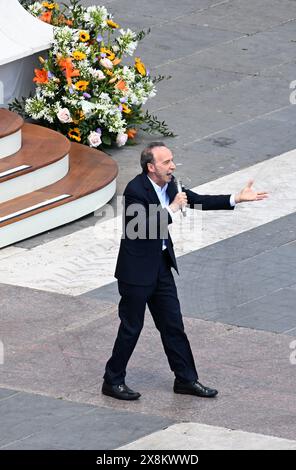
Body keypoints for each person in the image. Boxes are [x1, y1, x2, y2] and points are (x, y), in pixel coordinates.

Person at [102, 142, 268, 400]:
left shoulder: (170, 185)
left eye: (172, 160)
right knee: (131, 327)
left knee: (173, 325)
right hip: (136, 273)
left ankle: (186, 379)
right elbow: (139, 227)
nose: (173, 166)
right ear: (151, 167)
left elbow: (198, 200)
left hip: (161, 267)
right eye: (167, 162)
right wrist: (172, 209)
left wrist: (235, 198)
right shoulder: (136, 190)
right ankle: (112, 381)